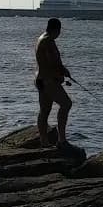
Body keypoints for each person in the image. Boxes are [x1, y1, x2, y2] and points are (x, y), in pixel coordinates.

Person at [34, 18, 72, 148]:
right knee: (66, 104)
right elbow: (53, 62)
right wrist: (62, 72)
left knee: (44, 110)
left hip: (40, 79)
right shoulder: (49, 41)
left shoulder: (41, 38)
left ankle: (44, 141)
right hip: (48, 81)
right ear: (57, 29)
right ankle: (62, 140)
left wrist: (62, 71)